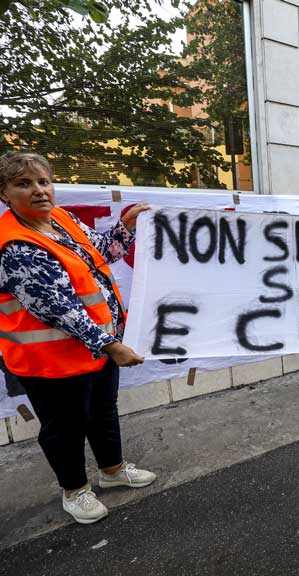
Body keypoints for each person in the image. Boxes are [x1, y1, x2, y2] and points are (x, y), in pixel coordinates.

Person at [0, 151, 155, 524]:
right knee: (65, 426)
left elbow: (101, 252)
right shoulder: (17, 246)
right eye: (24, 184)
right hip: (51, 360)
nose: (39, 191)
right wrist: (112, 345)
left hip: (96, 349)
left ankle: (112, 470)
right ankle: (75, 491)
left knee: (102, 411)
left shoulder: (62, 220)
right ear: (4, 194)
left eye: (43, 181)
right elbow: (58, 310)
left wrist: (126, 226)